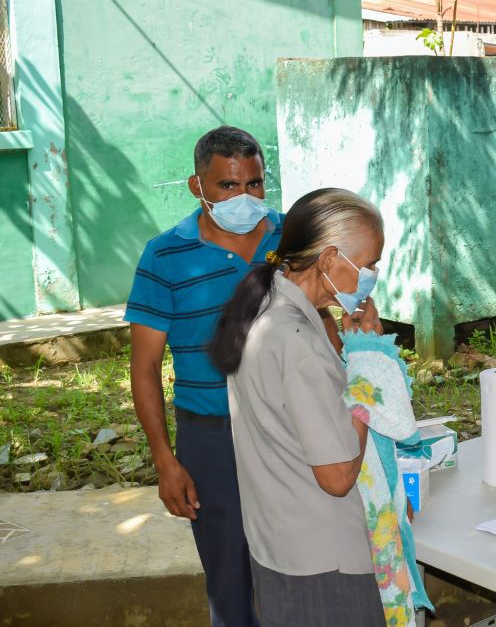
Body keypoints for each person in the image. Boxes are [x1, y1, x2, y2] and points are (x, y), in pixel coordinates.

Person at [125, 126, 377, 625]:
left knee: (296, 561)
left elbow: (327, 313)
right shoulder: (165, 257)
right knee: (229, 575)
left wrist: (354, 356)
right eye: (228, 186)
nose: (246, 198)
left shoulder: (292, 238)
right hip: (212, 434)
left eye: (256, 184)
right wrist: (165, 460)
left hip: (291, 431)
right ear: (198, 187)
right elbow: (145, 366)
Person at [209, 188, 388, 626]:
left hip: (279, 544)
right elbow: (338, 474)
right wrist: (366, 366)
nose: (373, 276)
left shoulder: (265, 307)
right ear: (328, 260)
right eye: (368, 265)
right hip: (324, 562)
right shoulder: (299, 343)